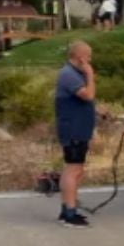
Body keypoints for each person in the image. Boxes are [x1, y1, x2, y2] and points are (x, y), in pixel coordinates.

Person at [54, 40, 97, 228]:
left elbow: (84, 101)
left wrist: (99, 111)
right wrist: (90, 75)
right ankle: (70, 214)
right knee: (73, 170)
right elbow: (88, 95)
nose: (90, 60)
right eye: (88, 57)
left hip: (79, 129)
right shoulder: (69, 75)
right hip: (73, 130)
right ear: (80, 57)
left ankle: (67, 210)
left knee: (74, 169)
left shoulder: (74, 75)